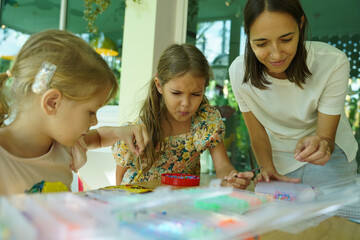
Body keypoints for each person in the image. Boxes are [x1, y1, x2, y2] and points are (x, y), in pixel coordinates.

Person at [0, 30, 149, 195]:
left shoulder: (64, 146)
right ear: (52, 103)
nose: (94, 122)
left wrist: (120, 131)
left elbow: (98, 137)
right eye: (91, 112)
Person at [229, 0, 358, 187]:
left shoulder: (333, 62)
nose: (276, 55)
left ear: (301, 24)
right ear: (248, 34)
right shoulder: (238, 73)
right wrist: (267, 167)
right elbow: (257, 134)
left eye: (286, 39)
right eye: (261, 43)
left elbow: (326, 138)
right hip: (276, 157)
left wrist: (322, 145)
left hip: (329, 156)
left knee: (332, 215)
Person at [112, 43, 254, 189]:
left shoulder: (205, 122)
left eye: (195, 94)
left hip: (180, 204)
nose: (186, 103)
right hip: (137, 202)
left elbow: (223, 167)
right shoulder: (137, 131)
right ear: (159, 86)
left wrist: (232, 178)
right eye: (176, 93)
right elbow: (119, 177)